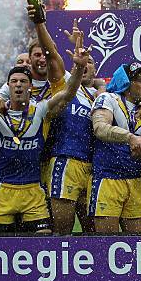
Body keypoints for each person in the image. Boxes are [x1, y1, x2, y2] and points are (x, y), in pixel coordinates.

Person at [0, 36, 90, 233]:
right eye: (14, 81)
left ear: (31, 87)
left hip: (33, 192)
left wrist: (79, 69)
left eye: (23, 81)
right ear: (8, 86)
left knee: (43, 243)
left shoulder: (42, 110)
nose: (18, 85)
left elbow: (67, 95)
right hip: (3, 191)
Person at [90, 62, 141, 234]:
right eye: (139, 80)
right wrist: (130, 138)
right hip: (107, 178)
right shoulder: (108, 99)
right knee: (106, 243)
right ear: (125, 83)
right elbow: (99, 128)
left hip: (135, 180)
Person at [47, 51, 98, 234]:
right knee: (62, 231)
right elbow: (51, 55)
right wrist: (39, 23)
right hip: (66, 160)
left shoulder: (98, 98)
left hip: (92, 167)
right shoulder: (64, 87)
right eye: (80, 64)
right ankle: (60, 262)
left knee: (92, 231)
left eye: (89, 62)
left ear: (96, 70)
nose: (85, 65)